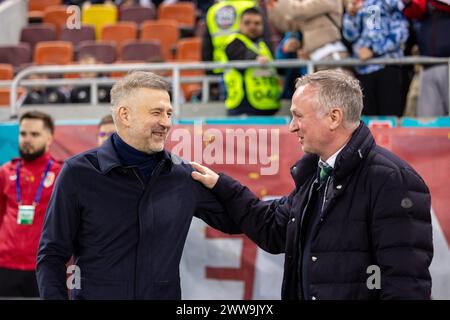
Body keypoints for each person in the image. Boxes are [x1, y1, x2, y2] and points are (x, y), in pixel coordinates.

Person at [191, 70, 433, 300]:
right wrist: (220, 186)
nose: (291, 126)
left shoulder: (392, 179)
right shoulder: (316, 175)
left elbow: (405, 285)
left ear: (333, 118)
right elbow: (272, 227)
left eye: (298, 115)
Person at [36, 71, 240, 300]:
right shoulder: (78, 173)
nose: (166, 122)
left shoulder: (183, 177)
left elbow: (237, 221)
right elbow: (52, 255)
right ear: (125, 115)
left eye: (169, 113)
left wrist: (224, 185)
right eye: (157, 113)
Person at [0, 111, 62, 298]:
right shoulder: (5, 172)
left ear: (49, 138)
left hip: (43, 267)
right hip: (5, 265)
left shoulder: (62, 174)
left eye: (34, 135)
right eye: (23, 134)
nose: (27, 139)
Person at [343, 0, 409, 116]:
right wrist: (350, 16)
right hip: (363, 70)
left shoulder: (392, 3)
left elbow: (401, 33)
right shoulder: (358, 3)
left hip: (387, 67)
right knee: (367, 121)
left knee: (389, 118)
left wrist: (373, 50)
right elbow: (350, 36)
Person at [223, 7, 280, 115]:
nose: (252, 27)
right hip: (243, 107)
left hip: (269, 106)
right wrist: (255, 58)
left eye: (257, 23)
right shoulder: (233, 41)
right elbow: (238, 54)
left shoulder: (264, 45)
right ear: (240, 24)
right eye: (247, 23)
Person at [401, 0, 450, 116]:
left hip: (447, 63)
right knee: (428, 121)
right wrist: (409, 3)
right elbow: (413, 12)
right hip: (427, 65)